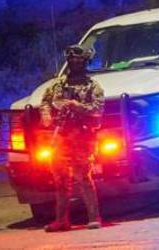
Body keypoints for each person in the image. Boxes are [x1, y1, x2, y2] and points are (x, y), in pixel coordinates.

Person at [40, 45, 106, 232]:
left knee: (84, 177)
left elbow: (98, 109)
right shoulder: (57, 84)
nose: (74, 63)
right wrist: (46, 115)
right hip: (61, 135)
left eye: (79, 60)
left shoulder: (92, 86)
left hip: (82, 136)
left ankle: (94, 217)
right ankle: (61, 220)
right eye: (71, 60)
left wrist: (77, 106)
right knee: (60, 180)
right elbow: (45, 101)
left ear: (85, 62)